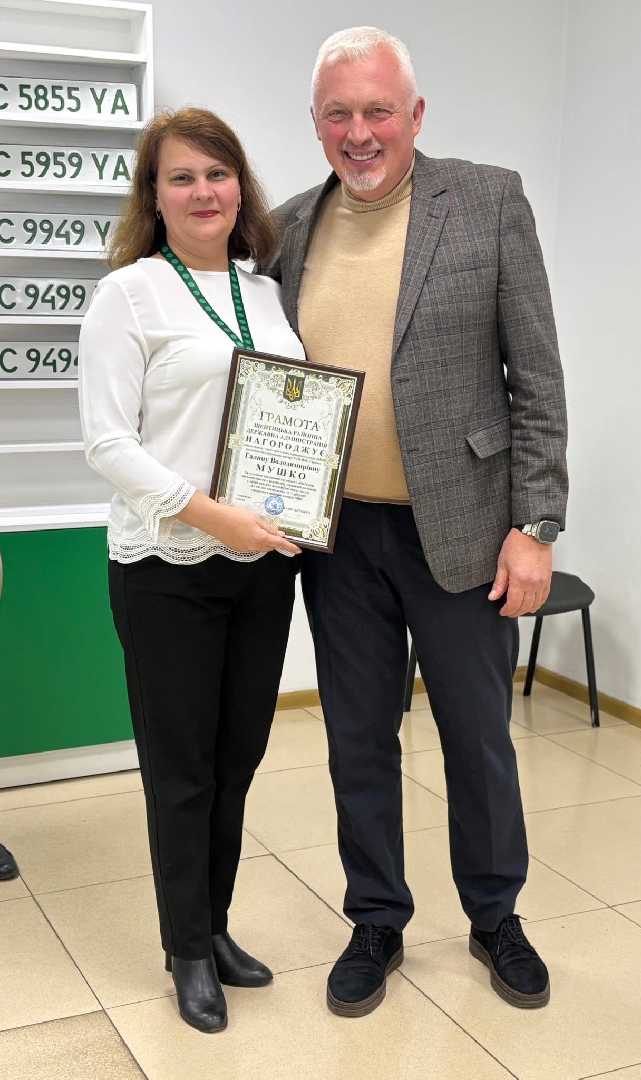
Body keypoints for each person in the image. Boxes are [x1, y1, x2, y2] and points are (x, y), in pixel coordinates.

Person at [268, 27, 568, 1018]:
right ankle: (376, 919)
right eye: (338, 115)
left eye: (377, 111)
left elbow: (537, 377)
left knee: (477, 737)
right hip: (339, 538)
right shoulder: (285, 228)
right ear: (316, 124)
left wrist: (536, 524)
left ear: (415, 115)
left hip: (465, 530)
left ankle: (494, 916)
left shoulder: (486, 200)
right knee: (357, 738)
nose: (359, 133)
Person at [79, 108, 302, 1034]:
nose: (203, 192)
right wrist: (211, 516)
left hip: (263, 567)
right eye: (182, 177)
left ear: (240, 187)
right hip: (166, 563)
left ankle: (214, 926)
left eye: (217, 173)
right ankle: (185, 952)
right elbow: (107, 444)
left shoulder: (267, 292)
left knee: (237, 760)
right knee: (182, 772)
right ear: (155, 196)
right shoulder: (127, 295)